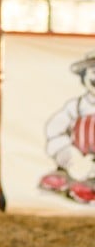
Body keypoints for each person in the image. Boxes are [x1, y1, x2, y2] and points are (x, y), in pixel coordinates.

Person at [39, 49, 95, 204]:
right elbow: (54, 129)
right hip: (78, 156)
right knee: (75, 168)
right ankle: (73, 183)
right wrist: (68, 152)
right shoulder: (75, 106)